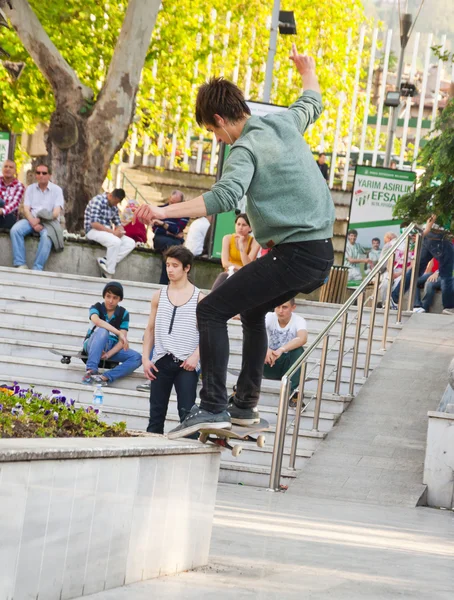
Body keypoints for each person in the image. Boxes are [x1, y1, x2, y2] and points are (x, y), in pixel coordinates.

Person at [135, 44, 335, 438]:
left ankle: (212, 406)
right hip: (319, 255)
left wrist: (161, 212)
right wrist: (306, 69)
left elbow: (225, 196)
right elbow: (312, 100)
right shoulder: (282, 123)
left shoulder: (243, 147)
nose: (219, 140)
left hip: (295, 254)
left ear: (220, 119)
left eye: (213, 132)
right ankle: (243, 406)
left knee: (209, 310)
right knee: (251, 311)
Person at [142, 246, 204, 434]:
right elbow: (150, 329)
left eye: (175, 265)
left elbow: (208, 333)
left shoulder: (199, 298)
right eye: (168, 265)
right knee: (155, 417)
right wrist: (145, 358)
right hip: (161, 360)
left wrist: (196, 356)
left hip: (186, 363)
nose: (170, 269)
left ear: (187, 268)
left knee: (187, 416)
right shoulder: (158, 295)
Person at [81, 281, 142, 386]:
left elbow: (121, 342)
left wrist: (108, 354)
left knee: (137, 357)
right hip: (93, 344)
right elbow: (97, 321)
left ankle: (104, 377)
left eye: (115, 298)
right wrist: (119, 333)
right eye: (108, 296)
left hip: (111, 347)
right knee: (103, 331)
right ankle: (91, 371)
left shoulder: (124, 313)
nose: (110, 301)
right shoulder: (96, 307)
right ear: (104, 296)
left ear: (120, 299)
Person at [391, 215, 454, 314]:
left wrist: (426, 230)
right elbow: (435, 213)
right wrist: (428, 228)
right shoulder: (445, 201)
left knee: (416, 270)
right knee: (446, 275)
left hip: (431, 236)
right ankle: (448, 307)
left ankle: (395, 297)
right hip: (440, 235)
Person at [10, 163, 64, 271]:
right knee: (15, 230)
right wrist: (32, 222)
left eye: (44, 173)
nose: (41, 175)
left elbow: (55, 213)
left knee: (47, 237)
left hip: (49, 222)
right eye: (38, 173)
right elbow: (26, 209)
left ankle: (37, 268)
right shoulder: (30, 188)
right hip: (32, 219)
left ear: (49, 175)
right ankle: (20, 264)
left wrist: (38, 220)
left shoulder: (57, 190)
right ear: (36, 175)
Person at [263, 299, 308, 406]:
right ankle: (242, 391)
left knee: (299, 350)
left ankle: (294, 395)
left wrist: (281, 350)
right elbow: (255, 332)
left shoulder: (298, 320)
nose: (280, 311)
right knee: (254, 347)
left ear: (293, 308)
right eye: (277, 307)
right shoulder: (269, 316)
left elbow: (303, 338)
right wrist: (266, 349)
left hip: (288, 366)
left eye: (284, 307)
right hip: (268, 362)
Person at [84, 188, 136, 278]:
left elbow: (118, 223)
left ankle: (106, 260)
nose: (116, 205)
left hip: (108, 232)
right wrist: (113, 232)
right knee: (116, 242)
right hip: (93, 231)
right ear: (111, 196)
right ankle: (108, 273)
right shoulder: (98, 201)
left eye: (117, 203)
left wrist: (120, 230)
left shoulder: (114, 205)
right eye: (115, 202)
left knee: (130, 243)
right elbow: (94, 224)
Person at [212, 213, 260, 290]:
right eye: (238, 224)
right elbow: (225, 263)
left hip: (246, 276)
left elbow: (247, 265)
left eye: (244, 225)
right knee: (222, 278)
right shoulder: (227, 238)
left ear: (250, 228)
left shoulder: (255, 242)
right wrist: (241, 269)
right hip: (230, 273)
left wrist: (241, 245)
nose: (240, 227)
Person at [152, 190, 189, 284]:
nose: (172, 205)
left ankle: (168, 281)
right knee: (172, 248)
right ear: (169, 199)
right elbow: (155, 229)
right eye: (171, 202)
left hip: (174, 242)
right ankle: (166, 282)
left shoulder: (184, 213)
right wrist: (172, 233)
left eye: (175, 203)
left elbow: (177, 229)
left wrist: (163, 224)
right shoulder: (159, 209)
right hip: (161, 240)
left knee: (174, 251)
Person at [0, 159, 25, 230]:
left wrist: (2, 211)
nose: (8, 169)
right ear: (2, 169)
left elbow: (15, 204)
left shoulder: (19, 186)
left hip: (9, 216)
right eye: (5, 166)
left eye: (11, 167)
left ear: (15, 171)